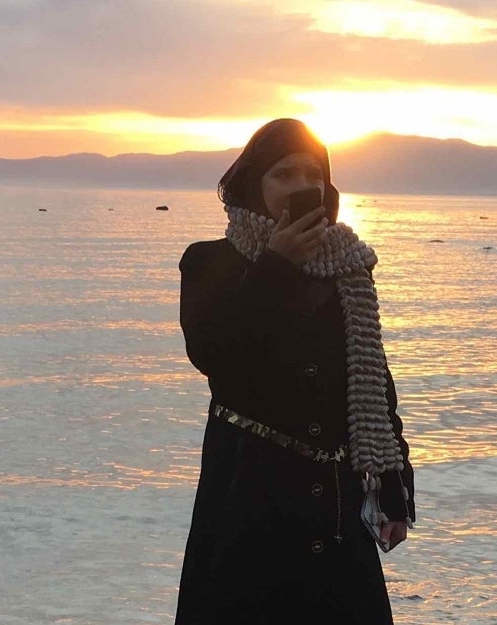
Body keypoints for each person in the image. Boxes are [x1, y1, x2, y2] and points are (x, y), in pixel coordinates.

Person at [174, 118, 416, 624]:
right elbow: (213, 353)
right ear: (252, 186)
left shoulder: (347, 268)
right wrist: (276, 267)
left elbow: (373, 381)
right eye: (283, 173)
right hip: (247, 499)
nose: (303, 185)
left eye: (313, 173)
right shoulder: (210, 261)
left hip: (336, 506)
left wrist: (394, 485)